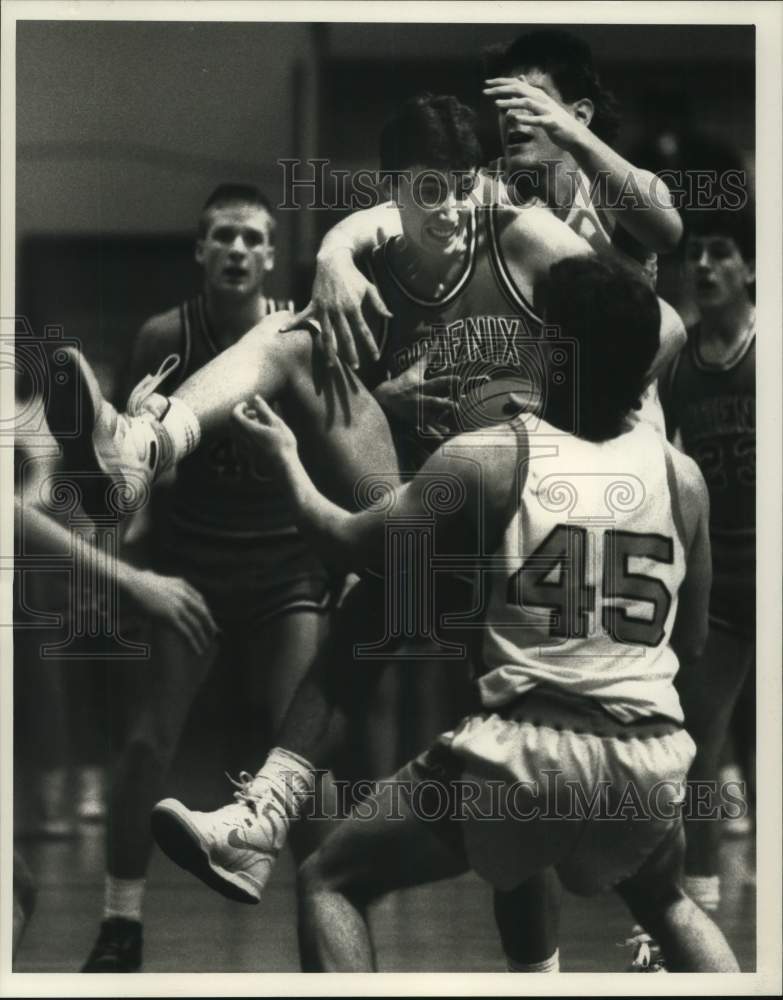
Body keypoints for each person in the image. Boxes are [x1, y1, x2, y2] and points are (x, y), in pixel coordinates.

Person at [63, 95, 681, 972]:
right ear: (391, 195)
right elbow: (351, 288)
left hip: (529, 504)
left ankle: (272, 810)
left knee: (510, 795)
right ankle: (142, 447)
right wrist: (338, 264)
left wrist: (546, 418)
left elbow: (659, 329)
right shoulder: (365, 262)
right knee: (296, 342)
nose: (451, 208)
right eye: (427, 191)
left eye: (462, 187)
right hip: (427, 512)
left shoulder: (520, 238)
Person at [226, 254, 738, 973]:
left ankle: (265, 809)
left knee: (331, 880)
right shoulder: (679, 477)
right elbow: (689, 638)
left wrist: (285, 460)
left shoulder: (486, 458)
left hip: (524, 757)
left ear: (551, 350)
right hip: (647, 755)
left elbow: (346, 543)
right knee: (668, 904)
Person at [79, 185, 334, 972]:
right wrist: (112, 569)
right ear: (199, 251)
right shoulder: (165, 335)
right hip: (190, 569)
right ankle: (121, 926)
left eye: (252, 237)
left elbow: (333, 456)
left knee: (303, 762)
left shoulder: (296, 337)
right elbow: (121, 471)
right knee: (147, 742)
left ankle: (324, 924)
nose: (235, 249)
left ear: (270, 255)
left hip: (284, 571)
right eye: (221, 235)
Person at [286, 29, 682, 386]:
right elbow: (395, 211)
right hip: (535, 402)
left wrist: (578, 136)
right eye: (504, 101)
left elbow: (667, 233)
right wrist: (333, 255)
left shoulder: (613, 189)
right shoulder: (482, 186)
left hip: (621, 402)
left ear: (579, 115)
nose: (511, 114)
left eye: (530, 100)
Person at [660, 205, 756, 917]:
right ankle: (693, 902)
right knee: (697, 743)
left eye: (719, 252)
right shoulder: (678, 367)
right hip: (718, 580)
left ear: (749, 267)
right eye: (693, 252)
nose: (702, 266)